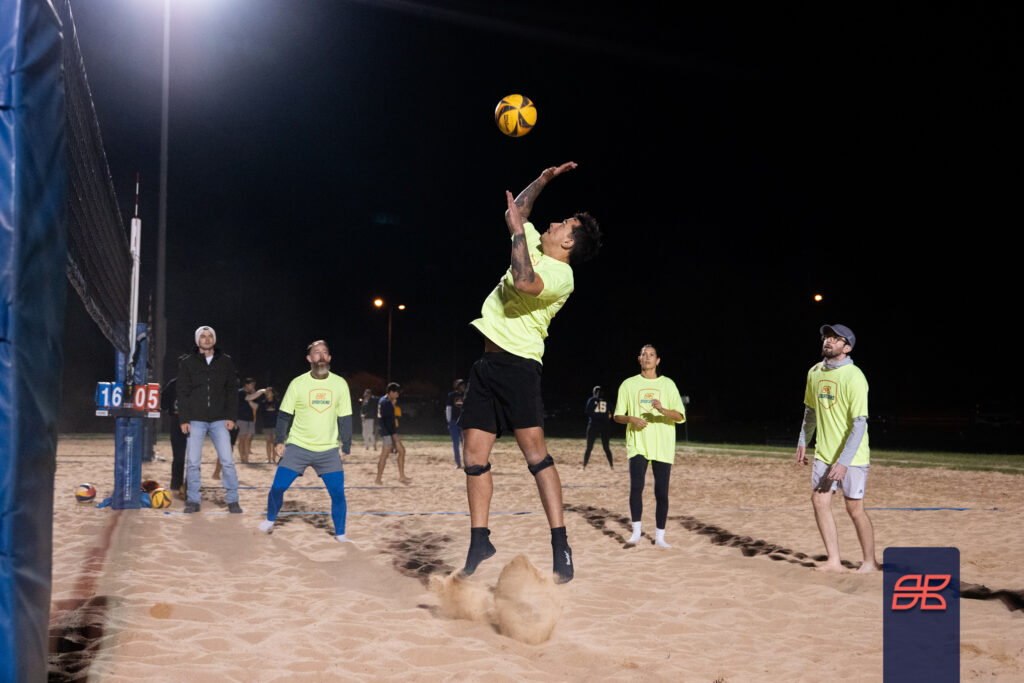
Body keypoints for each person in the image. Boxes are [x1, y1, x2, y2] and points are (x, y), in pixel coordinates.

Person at [459, 161, 602, 584]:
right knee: (473, 456)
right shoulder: (537, 246)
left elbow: (523, 281)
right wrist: (542, 180)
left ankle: (561, 544)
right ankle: (479, 540)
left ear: (569, 241)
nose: (554, 223)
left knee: (536, 455)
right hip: (487, 364)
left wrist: (520, 232)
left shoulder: (561, 275)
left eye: (563, 224)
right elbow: (516, 213)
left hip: (519, 365)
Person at [795, 324, 880, 573]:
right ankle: (834, 561)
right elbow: (810, 411)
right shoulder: (814, 372)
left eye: (836, 338)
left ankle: (870, 562)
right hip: (824, 452)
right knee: (819, 501)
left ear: (847, 347)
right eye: (826, 336)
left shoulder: (854, 376)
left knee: (854, 509)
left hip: (852, 456)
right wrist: (803, 440)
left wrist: (843, 461)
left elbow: (860, 424)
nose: (828, 341)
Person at [258, 340, 353, 542]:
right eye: (316, 352)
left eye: (324, 352)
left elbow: (345, 417)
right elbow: (284, 415)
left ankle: (341, 534)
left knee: (337, 492)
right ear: (309, 358)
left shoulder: (340, 384)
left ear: (329, 358)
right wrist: (280, 441)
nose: (321, 355)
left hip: (328, 450)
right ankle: (270, 519)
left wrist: (346, 445)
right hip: (298, 446)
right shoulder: (297, 383)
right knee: (278, 487)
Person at [613, 345, 686, 548]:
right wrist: (631, 419)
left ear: (657, 360)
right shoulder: (628, 384)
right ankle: (636, 533)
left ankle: (660, 537)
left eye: (651, 355)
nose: (647, 357)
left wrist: (663, 410)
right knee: (636, 487)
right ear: (639, 359)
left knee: (661, 492)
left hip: (663, 444)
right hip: (638, 443)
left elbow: (680, 416)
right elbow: (618, 416)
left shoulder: (668, 384)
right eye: (644, 354)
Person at [177, 325, 242, 514]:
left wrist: (231, 416)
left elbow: (232, 391)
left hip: (220, 420)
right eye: (203, 336)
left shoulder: (226, 361)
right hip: (195, 420)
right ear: (197, 340)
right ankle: (193, 500)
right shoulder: (187, 362)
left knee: (227, 461)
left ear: (214, 339)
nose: (207, 339)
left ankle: (233, 500)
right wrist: (184, 419)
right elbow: (182, 392)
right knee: (193, 462)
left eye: (210, 336)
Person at [375, 383, 411, 485]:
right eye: (396, 393)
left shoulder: (383, 400)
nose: (397, 396)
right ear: (391, 392)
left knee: (402, 451)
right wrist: (394, 435)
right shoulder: (386, 403)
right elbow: (388, 421)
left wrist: (392, 405)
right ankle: (378, 479)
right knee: (384, 455)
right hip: (388, 432)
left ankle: (402, 476)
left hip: (387, 431)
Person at [161, 376, 187, 499]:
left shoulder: (199, 381)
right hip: (178, 423)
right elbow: (163, 404)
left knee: (191, 459)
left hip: (194, 424)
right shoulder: (173, 384)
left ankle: (187, 486)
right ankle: (177, 486)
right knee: (179, 457)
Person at [583, 385, 614, 469]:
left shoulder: (591, 400)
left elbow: (587, 412)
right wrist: (606, 418)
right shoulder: (607, 401)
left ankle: (584, 466)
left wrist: (597, 417)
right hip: (603, 426)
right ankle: (611, 466)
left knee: (590, 447)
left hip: (594, 425)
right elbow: (612, 413)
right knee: (605, 447)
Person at [235, 377, 260, 463]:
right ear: (246, 384)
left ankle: (246, 458)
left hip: (251, 419)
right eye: (252, 384)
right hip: (241, 419)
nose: (253, 386)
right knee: (242, 439)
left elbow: (256, 407)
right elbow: (247, 398)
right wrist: (255, 394)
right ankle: (242, 458)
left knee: (248, 439)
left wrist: (252, 396)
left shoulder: (253, 394)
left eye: (254, 385)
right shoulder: (240, 392)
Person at [255, 386, 280, 463]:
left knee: (274, 442)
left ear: (272, 393)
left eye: (269, 392)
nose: (267, 393)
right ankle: (269, 459)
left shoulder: (277, 402)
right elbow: (261, 414)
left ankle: (274, 459)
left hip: (275, 425)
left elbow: (280, 414)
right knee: (268, 442)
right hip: (266, 425)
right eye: (266, 392)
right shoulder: (263, 403)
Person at [446, 379, 467, 468]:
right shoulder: (451, 395)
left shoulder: (466, 395)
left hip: (463, 423)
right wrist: (449, 421)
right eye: (461, 385)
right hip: (454, 422)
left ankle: (467, 463)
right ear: (457, 386)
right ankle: (458, 464)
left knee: (465, 444)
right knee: (456, 444)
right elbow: (448, 408)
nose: (463, 387)